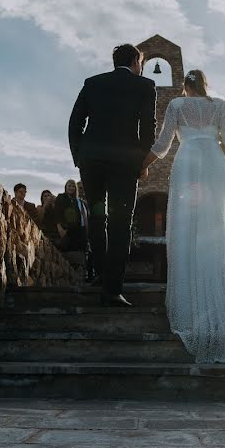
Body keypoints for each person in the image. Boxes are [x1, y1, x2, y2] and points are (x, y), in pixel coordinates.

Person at [142, 69, 225, 363]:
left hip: (188, 165)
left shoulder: (177, 105)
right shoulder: (219, 105)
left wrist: (143, 164)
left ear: (185, 87)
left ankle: (190, 307)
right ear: (205, 85)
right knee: (214, 226)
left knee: (188, 226)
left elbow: (164, 144)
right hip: (214, 167)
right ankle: (216, 302)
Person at [69, 43, 157, 307]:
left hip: (91, 162)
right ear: (134, 61)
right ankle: (112, 288)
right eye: (140, 62)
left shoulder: (93, 83)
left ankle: (101, 275)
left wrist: (79, 157)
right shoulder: (144, 86)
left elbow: (75, 122)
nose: (141, 68)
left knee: (97, 218)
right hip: (124, 165)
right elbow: (148, 128)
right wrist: (142, 162)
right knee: (120, 224)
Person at [54, 179, 89, 254]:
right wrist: (59, 227)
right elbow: (57, 213)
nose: (71, 188)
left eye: (73, 186)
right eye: (69, 186)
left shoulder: (77, 201)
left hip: (77, 231)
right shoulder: (61, 197)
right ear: (66, 187)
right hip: (65, 229)